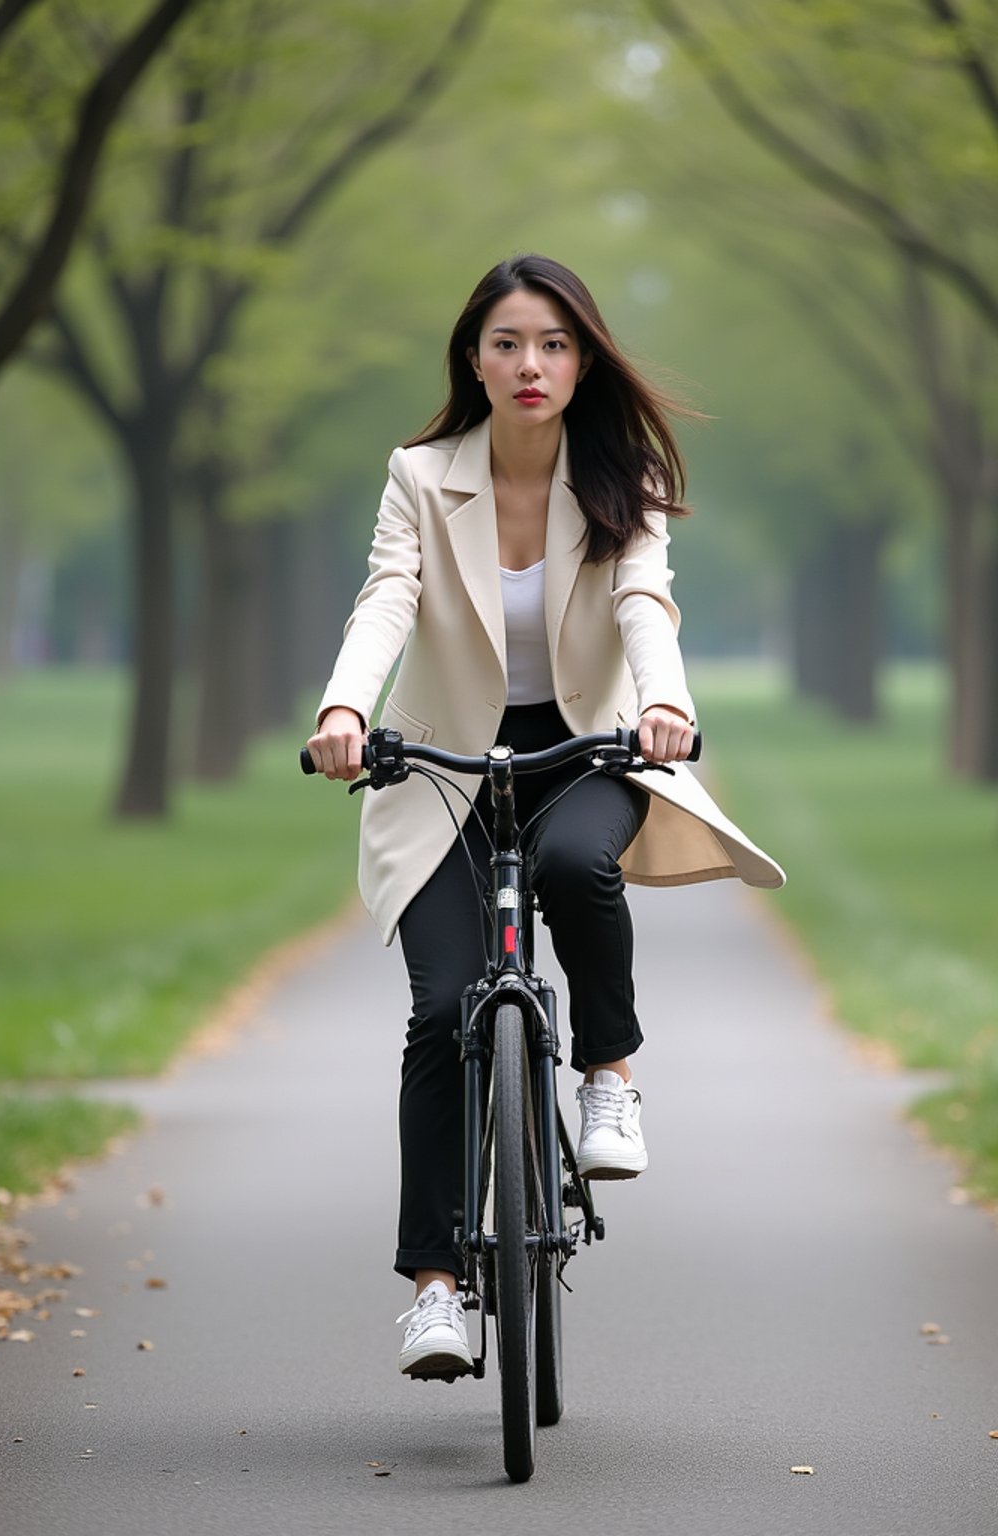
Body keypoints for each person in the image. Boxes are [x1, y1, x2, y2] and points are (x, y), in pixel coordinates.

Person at [307, 254, 784, 1380]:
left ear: (583, 361)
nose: (533, 365)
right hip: (443, 767)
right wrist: (341, 708)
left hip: (588, 748)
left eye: (556, 345)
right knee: (438, 1015)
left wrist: (664, 705)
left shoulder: (622, 476)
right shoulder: (420, 475)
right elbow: (387, 598)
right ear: (473, 358)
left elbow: (642, 602)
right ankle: (432, 1289)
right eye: (510, 343)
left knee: (577, 867)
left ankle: (606, 1073)